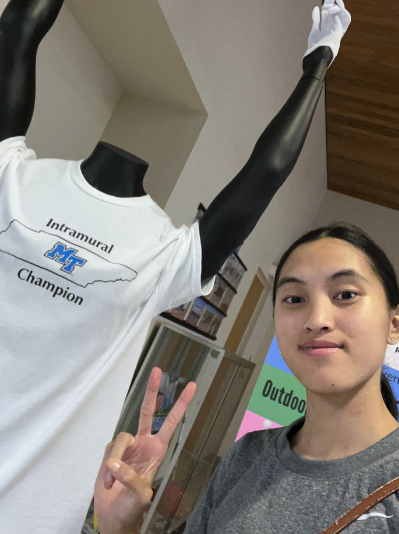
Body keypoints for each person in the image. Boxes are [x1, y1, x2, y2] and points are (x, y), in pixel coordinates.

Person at [0, 0, 350, 532]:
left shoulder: (165, 253)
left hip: (31, 511)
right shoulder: (10, 179)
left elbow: (264, 175)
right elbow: (17, 30)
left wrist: (318, 64)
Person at [97, 222, 399, 533]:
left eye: (346, 294)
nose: (316, 320)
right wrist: (119, 525)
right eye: (294, 299)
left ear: (394, 324)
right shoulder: (247, 456)